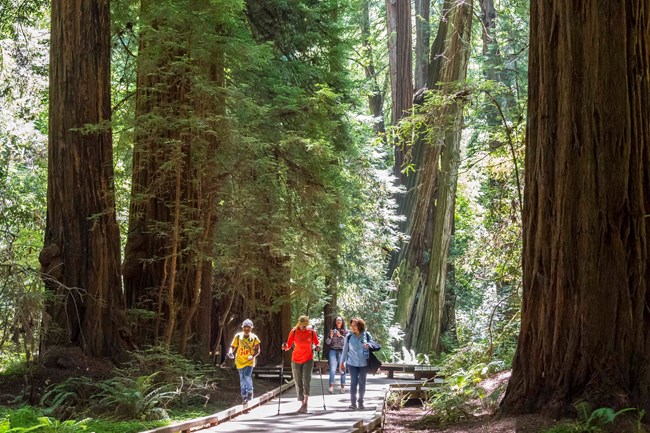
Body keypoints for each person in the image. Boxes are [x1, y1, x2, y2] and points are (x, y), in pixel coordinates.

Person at [282, 315, 320, 413]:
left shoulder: (311, 333)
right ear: (299, 323)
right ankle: (302, 403)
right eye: (302, 325)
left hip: (308, 359)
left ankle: (306, 403)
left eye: (305, 325)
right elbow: (288, 346)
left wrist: (318, 347)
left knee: (306, 380)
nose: (304, 327)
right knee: (298, 382)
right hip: (296, 359)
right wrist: (285, 346)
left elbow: (317, 343)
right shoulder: (293, 332)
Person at [340, 317, 372, 410]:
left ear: (360, 326)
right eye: (351, 325)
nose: (353, 327)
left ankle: (361, 402)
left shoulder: (367, 335)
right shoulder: (349, 336)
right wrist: (342, 362)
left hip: (364, 363)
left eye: (355, 325)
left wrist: (368, 345)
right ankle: (353, 403)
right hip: (352, 363)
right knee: (353, 382)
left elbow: (373, 345)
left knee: (362, 382)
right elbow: (345, 350)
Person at [227, 319, 261, 404]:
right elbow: (233, 346)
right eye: (245, 328)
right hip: (239, 360)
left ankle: (250, 392)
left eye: (248, 328)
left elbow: (258, 350)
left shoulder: (254, 338)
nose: (246, 330)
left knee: (246, 376)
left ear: (251, 328)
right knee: (242, 379)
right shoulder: (238, 336)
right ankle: (243, 396)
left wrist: (252, 356)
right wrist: (230, 352)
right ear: (242, 328)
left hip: (249, 361)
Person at [325, 315, 347, 394]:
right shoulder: (331, 331)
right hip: (333, 351)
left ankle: (342, 387)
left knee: (342, 369)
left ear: (342, 322)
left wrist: (340, 336)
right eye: (337, 320)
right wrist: (330, 337)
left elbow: (345, 343)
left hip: (342, 351)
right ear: (335, 322)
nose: (338, 322)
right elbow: (327, 342)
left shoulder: (345, 331)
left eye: (340, 320)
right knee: (332, 369)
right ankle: (331, 387)